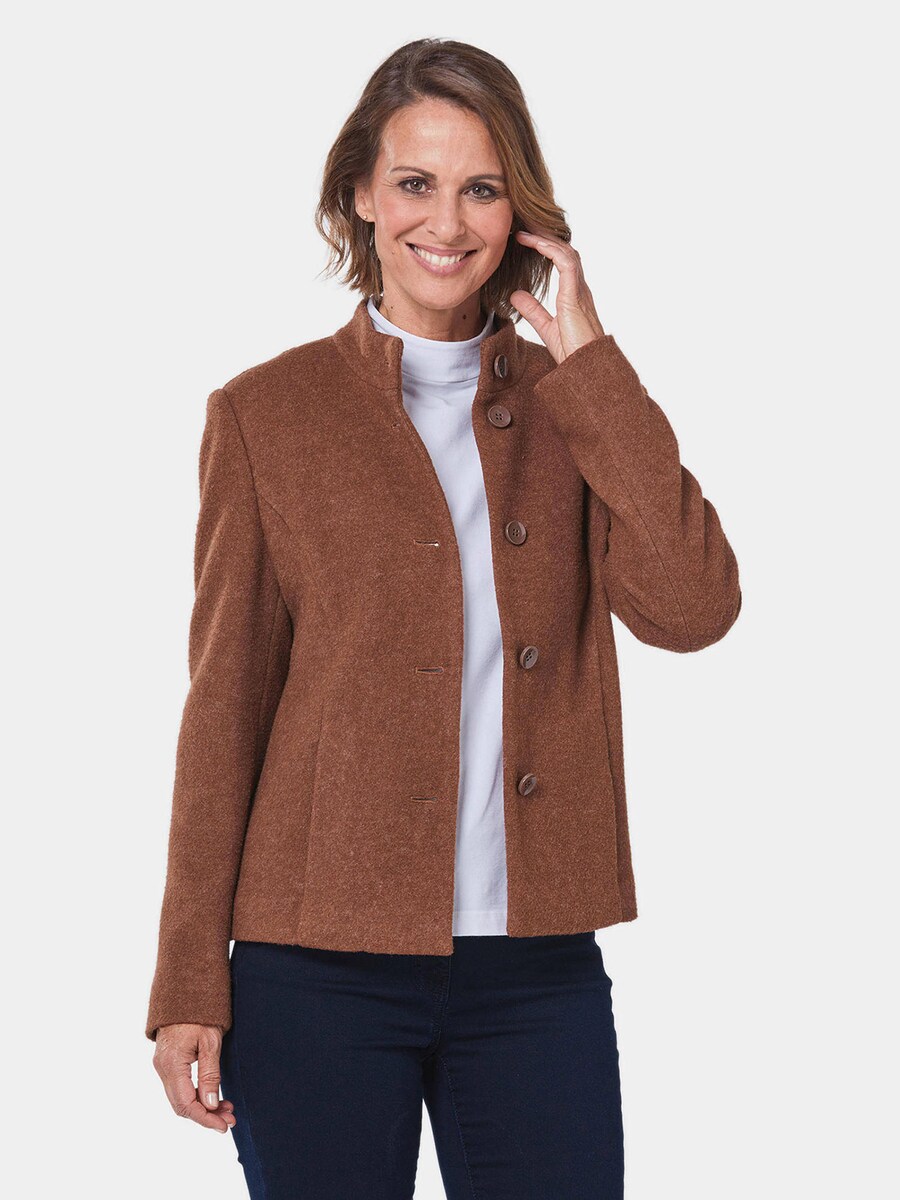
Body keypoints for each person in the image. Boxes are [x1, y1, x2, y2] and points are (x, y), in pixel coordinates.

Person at [146, 37, 741, 1199]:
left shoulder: (576, 408)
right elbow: (223, 710)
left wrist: (595, 367)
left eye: (482, 188)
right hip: (313, 964)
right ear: (362, 194)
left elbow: (692, 608)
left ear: (520, 212)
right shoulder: (267, 415)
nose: (448, 222)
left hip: (535, 968)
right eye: (415, 183)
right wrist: (186, 984)